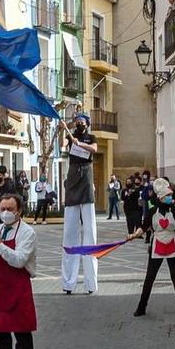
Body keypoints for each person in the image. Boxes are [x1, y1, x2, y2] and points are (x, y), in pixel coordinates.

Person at [0, 193, 38, 349]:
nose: (6, 212)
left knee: (22, 335)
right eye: (2, 209)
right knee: (0, 335)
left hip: (18, 289)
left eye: (10, 209)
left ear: (19, 211)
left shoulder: (27, 233)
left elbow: (19, 260)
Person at [135, 178, 175, 318]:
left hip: (173, 244)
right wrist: (134, 235)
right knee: (150, 277)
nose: (170, 198)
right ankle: (141, 307)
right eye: (167, 196)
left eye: (170, 195)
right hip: (157, 245)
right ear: (160, 197)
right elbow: (143, 227)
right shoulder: (152, 211)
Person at [59, 114, 100, 294]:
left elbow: (94, 149)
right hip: (73, 178)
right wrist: (63, 130)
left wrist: (79, 143)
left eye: (82, 122)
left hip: (86, 179)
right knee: (70, 232)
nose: (79, 124)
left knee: (90, 231)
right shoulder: (70, 135)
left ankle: (91, 283)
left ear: (87, 124)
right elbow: (62, 146)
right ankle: (68, 283)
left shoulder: (91, 137)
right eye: (77, 122)